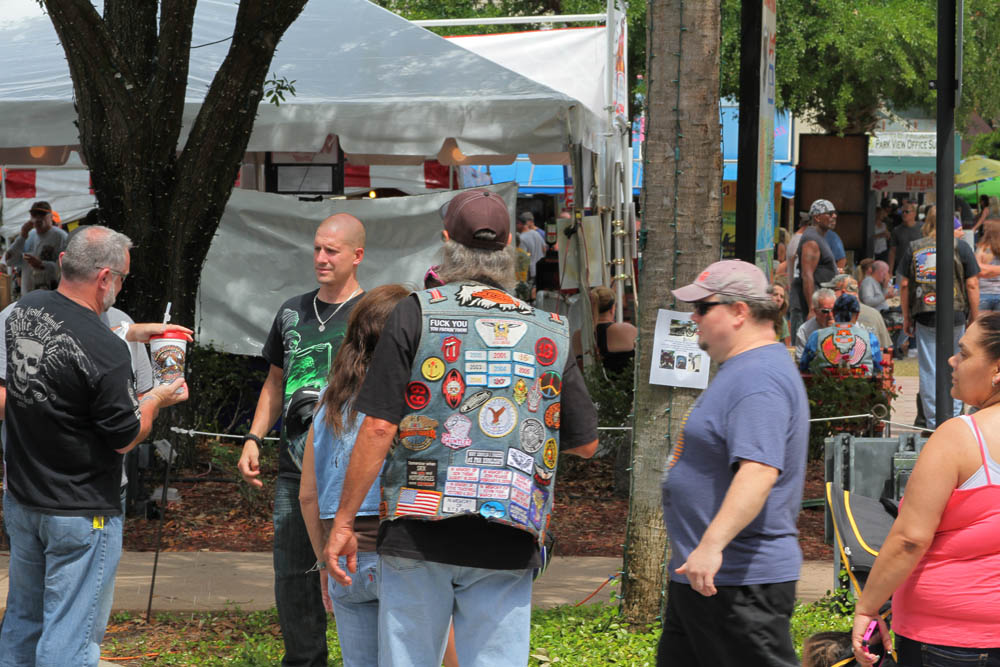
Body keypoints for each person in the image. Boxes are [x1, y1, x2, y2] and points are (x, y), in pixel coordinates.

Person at [325, 188, 598, 666]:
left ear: (446, 241)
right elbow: (587, 445)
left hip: (418, 531)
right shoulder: (550, 330)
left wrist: (344, 522)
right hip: (509, 534)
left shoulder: (415, 313)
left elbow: (376, 429)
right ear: (511, 244)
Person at [0, 225, 188, 667]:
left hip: (24, 498)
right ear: (105, 278)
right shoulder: (106, 351)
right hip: (82, 510)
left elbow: (68, 342)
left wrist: (129, 332)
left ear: (63, 262)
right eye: (122, 278)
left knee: (23, 621)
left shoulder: (22, 312)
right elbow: (125, 437)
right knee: (70, 636)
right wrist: (156, 397)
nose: (120, 286)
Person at [659, 259, 808, 667]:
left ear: (740, 311)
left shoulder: (758, 377)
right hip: (705, 579)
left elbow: (758, 471)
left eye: (704, 308)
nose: (694, 318)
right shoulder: (743, 370)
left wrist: (710, 546)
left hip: (738, 582)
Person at [238, 213, 366, 667]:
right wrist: (254, 437)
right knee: (292, 576)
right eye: (316, 248)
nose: (321, 258)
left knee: (358, 572)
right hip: (293, 466)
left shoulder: (372, 314)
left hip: (352, 467)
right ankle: (305, 660)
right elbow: (275, 381)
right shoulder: (292, 311)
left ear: (357, 255)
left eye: (332, 250)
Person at [851, 314, 1000, 666]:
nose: (952, 360)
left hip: (950, 638)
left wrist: (867, 608)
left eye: (964, 353)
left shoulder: (960, 437)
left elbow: (910, 539)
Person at [900, 205, 980, 429]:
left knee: (928, 368)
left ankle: (934, 421)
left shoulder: (914, 248)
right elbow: (972, 284)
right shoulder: (961, 247)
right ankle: (953, 419)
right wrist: (975, 316)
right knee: (957, 364)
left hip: (924, 314)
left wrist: (906, 317)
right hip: (955, 313)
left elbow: (905, 284)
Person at [799, 294, 883, 377]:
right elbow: (879, 369)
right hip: (863, 388)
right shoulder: (870, 338)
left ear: (834, 313)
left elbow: (803, 366)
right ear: (857, 315)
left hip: (825, 388)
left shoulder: (816, 336)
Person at [792, 199, 839, 332]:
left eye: (835, 213)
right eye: (830, 214)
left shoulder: (819, 237)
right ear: (817, 217)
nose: (834, 216)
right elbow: (807, 275)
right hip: (808, 307)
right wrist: (812, 308)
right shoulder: (811, 240)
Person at [4, 201, 68, 294]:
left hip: (51, 294)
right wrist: (22, 236)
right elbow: (10, 261)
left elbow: (67, 268)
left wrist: (42, 264)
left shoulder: (60, 236)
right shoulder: (28, 236)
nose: (38, 218)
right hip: (29, 294)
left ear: (50, 217)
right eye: (34, 215)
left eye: (42, 214)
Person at [572, 285, 637, 374]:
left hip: (589, 387)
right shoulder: (628, 330)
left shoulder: (578, 336)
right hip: (624, 387)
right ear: (612, 309)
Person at [826, 275, 893, 353]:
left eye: (833, 290)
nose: (830, 294)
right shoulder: (875, 314)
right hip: (871, 362)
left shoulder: (830, 313)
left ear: (843, 292)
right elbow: (886, 347)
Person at [795, 288, 837, 361]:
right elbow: (800, 359)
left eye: (834, 310)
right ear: (815, 311)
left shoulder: (845, 325)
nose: (830, 315)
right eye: (825, 311)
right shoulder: (805, 330)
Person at [889, 201, 922, 278]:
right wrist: (890, 271)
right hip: (902, 269)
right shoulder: (896, 230)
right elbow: (892, 251)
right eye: (902, 212)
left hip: (920, 268)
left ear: (914, 213)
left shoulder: (922, 228)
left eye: (906, 212)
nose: (904, 214)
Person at [976, 219, 1000, 313]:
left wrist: (987, 271)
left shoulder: (982, 248)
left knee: (982, 326)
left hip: (983, 293)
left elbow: (977, 270)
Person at [515, 212, 544, 290]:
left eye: (517, 224)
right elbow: (544, 248)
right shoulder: (536, 234)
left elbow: (523, 258)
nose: (516, 226)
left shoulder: (522, 238)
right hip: (541, 270)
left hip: (530, 272)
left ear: (520, 224)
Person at [771, 279, 791, 345]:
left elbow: (786, 347)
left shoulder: (782, 321)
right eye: (775, 294)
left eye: (781, 296)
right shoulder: (758, 317)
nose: (778, 299)